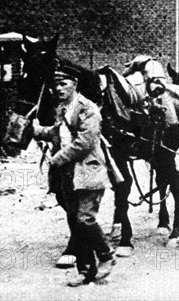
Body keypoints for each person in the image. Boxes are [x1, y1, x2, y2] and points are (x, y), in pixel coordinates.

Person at [32, 66, 115, 287]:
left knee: (85, 218)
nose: (58, 89)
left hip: (90, 170)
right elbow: (58, 133)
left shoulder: (88, 109)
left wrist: (57, 158)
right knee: (74, 221)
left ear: (74, 84)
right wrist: (37, 130)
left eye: (63, 84)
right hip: (68, 173)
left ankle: (106, 255)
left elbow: (84, 142)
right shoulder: (62, 109)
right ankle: (86, 269)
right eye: (56, 85)